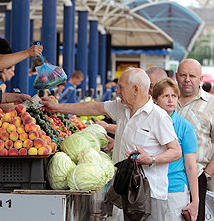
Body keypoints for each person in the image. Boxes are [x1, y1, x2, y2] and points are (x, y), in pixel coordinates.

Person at [41, 68, 182, 221]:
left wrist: (152, 159)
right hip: (123, 190)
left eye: (121, 87)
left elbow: (176, 151)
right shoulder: (122, 107)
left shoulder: (158, 116)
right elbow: (95, 107)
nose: (117, 90)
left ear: (135, 89)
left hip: (149, 195)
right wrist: (57, 107)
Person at [153, 78, 199, 221]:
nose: (170, 100)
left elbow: (191, 166)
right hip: (150, 189)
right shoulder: (148, 123)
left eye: (174, 96)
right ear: (155, 100)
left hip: (175, 190)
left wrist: (195, 200)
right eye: (165, 96)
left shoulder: (185, 127)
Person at [176, 58, 214, 221]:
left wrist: (206, 175)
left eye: (192, 76)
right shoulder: (166, 100)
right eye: (183, 75)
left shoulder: (211, 105)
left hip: (199, 176)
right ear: (176, 76)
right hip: (168, 178)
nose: (187, 79)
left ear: (201, 79)